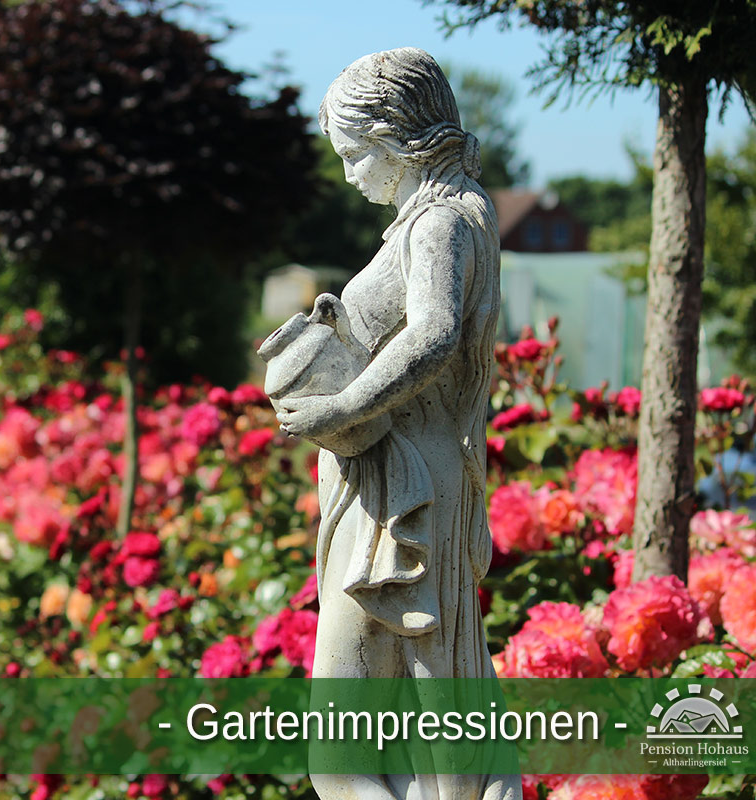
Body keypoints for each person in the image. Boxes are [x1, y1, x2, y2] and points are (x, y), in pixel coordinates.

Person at [273, 48, 520, 800]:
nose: (350, 175)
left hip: (405, 483)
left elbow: (434, 333)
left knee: (352, 750)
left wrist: (342, 406)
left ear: (397, 139)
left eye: (354, 156)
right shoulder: (441, 218)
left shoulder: (441, 222)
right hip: (391, 474)